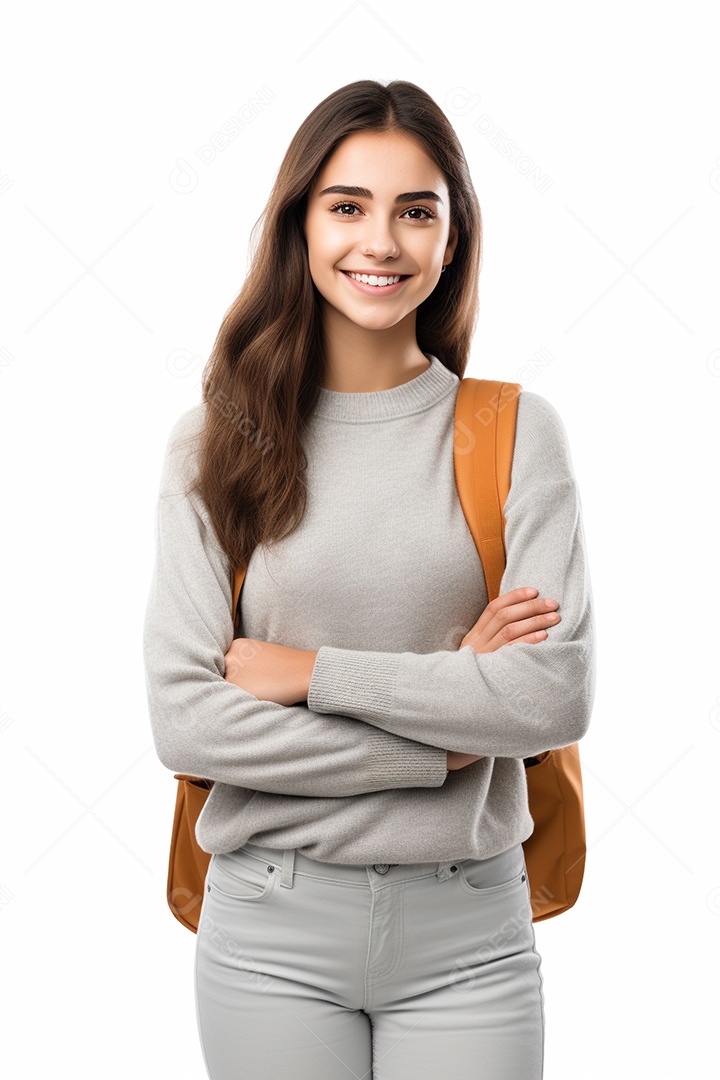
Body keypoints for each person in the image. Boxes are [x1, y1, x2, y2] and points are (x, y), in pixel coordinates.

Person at [143, 78, 595, 1080]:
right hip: (268, 931)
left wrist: (310, 672)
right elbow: (189, 721)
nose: (380, 242)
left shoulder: (513, 433)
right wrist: (439, 745)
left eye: (415, 210)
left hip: (469, 932)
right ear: (300, 223)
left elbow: (549, 696)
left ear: (453, 235)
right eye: (347, 206)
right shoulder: (213, 445)